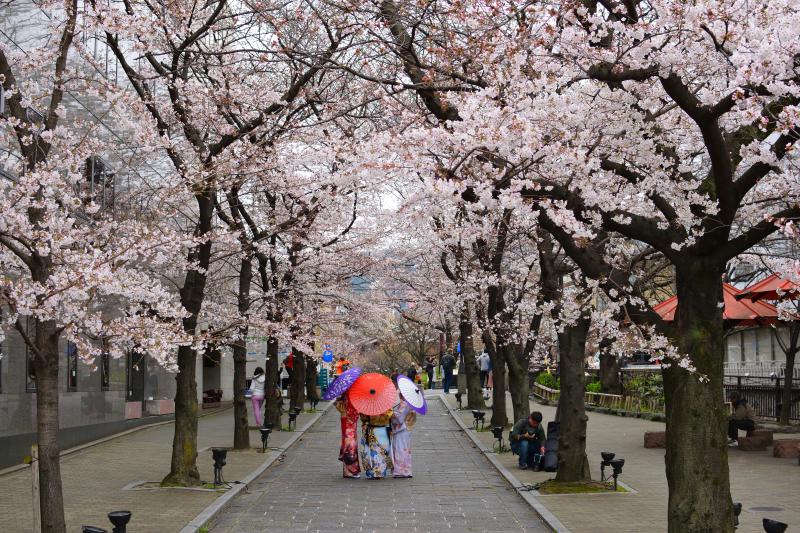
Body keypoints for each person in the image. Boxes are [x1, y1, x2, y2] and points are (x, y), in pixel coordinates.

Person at [359, 409, 393, 479]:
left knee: (372, 452)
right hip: (384, 429)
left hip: (373, 430)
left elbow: (364, 419)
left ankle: (372, 473)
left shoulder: (368, 407)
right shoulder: (386, 406)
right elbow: (390, 417)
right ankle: (381, 472)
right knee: (383, 451)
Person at [335, 393, 361, 478]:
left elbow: (338, 403)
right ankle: (351, 471)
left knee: (348, 442)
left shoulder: (345, 392)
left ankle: (348, 471)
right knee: (350, 444)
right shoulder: (350, 393)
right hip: (349, 419)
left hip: (347, 418)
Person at [391, 396, 417, 478]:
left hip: (401, 429)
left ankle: (400, 471)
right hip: (407, 428)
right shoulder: (411, 403)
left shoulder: (404, 404)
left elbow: (399, 419)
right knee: (405, 449)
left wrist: (391, 413)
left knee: (400, 448)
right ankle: (406, 470)